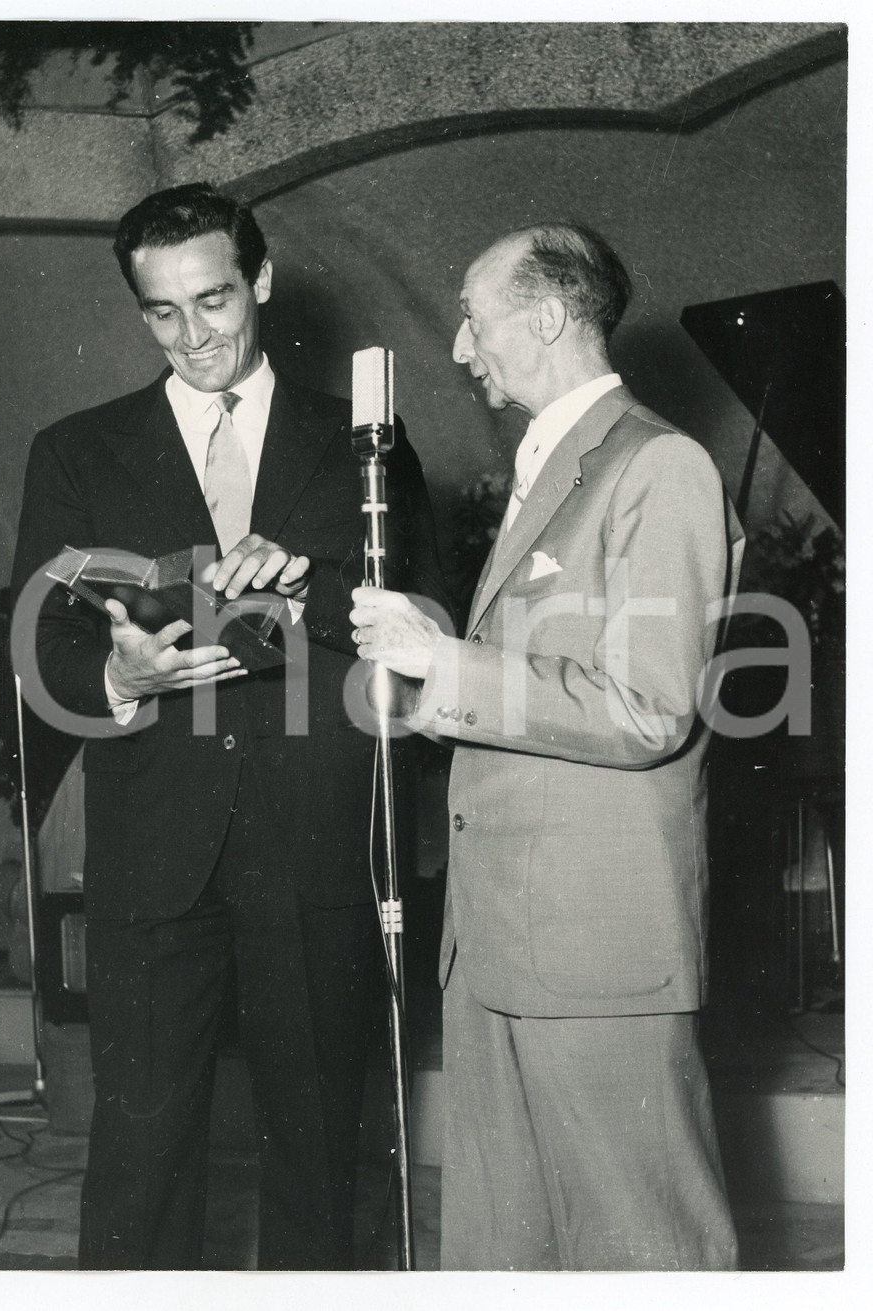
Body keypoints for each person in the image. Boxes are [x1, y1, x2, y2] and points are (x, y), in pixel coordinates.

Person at [10, 183, 447, 1270]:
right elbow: (36, 648)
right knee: (140, 1154)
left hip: (317, 838)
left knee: (319, 1152)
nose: (194, 335)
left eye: (213, 300)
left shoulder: (363, 445)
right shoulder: (77, 451)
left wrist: (313, 596)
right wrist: (117, 675)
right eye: (162, 312)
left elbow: (431, 627)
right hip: (155, 849)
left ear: (260, 281)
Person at [350, 223, 744, 1270]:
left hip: (593, 946)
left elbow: (647, 708)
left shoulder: (657, 465)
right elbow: (536, 682)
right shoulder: (552, 467)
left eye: (472, 320)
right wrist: (427, 678)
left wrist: (448, 664)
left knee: (641, 1248)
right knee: (504, 1251)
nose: (459, 349)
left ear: (549, 317)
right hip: (501, 941)